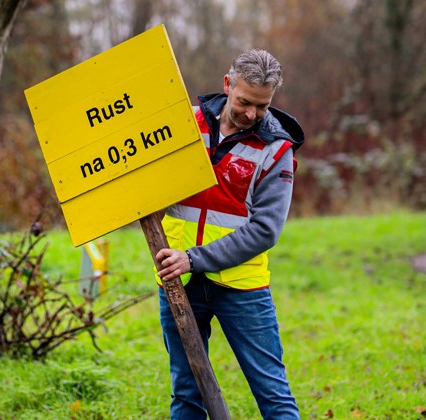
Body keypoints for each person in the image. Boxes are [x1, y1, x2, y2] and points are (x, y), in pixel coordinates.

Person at [155, 49, 304, 419]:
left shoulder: (276, 149)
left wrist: (194, 257)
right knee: (186, 395)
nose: (251, 114)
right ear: (227, 84)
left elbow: (265, 230)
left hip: (242, 288)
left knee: (274, 395)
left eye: (262, 106)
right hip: (179, 281)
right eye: (244, 102)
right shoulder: (184, 127)